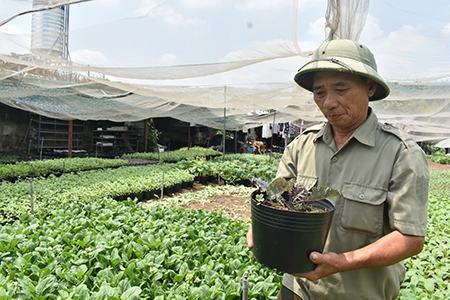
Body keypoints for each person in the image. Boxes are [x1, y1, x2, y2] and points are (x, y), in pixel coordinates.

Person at [246, 39, 429, 300]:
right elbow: (272, 200)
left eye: (341, 89)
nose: (329, 102)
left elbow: (410, 238)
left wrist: (343, 261)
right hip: (297, 289)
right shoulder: (302, 146)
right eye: (319, 93)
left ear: (370, 88)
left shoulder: (401, 154)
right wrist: (259, 227)